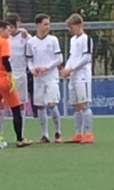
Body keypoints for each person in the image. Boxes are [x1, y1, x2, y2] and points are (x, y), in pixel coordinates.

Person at [0, 20, 32, 148]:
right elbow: (5, 60)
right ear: (1, 30)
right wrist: (10, 74)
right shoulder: (3, 42)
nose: (9, 33)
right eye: (8, 30)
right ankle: (20, 139)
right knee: (16, 109)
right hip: (4, 80)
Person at [26, 13, 64, 143]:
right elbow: (29, 60)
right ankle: (44, 134)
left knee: (52, 104)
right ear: (38, 25)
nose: (48, 27)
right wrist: (32, 69)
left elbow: (59, 59)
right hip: (38, 79)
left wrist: (47, 67)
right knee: (40, 106)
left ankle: (58, 132)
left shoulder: (53, 40)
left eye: (49, 24)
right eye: (45, 24)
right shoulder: (31, 42)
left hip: (51, 77)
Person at [60, 14, 94, 144]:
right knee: (75, 105)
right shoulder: (73, 40)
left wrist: (71, 69)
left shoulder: (87, 39)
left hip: (83, 76)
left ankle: (89, 134)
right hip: (73, 76)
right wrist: (66, 70)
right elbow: (72, 57)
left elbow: (86, 58)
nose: (70, 30)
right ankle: (78, 133)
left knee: (84, 104)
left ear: (79, 25)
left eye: (72, 27)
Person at [6, 13, 30, 136]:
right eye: (9, 26)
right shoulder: (4, 37)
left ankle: (21, 132)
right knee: (2, 104)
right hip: (7, 74)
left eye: (14, 26)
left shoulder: (25, 36)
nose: (11, 29)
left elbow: (31, 49)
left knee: (21, 104)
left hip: (21, 74)